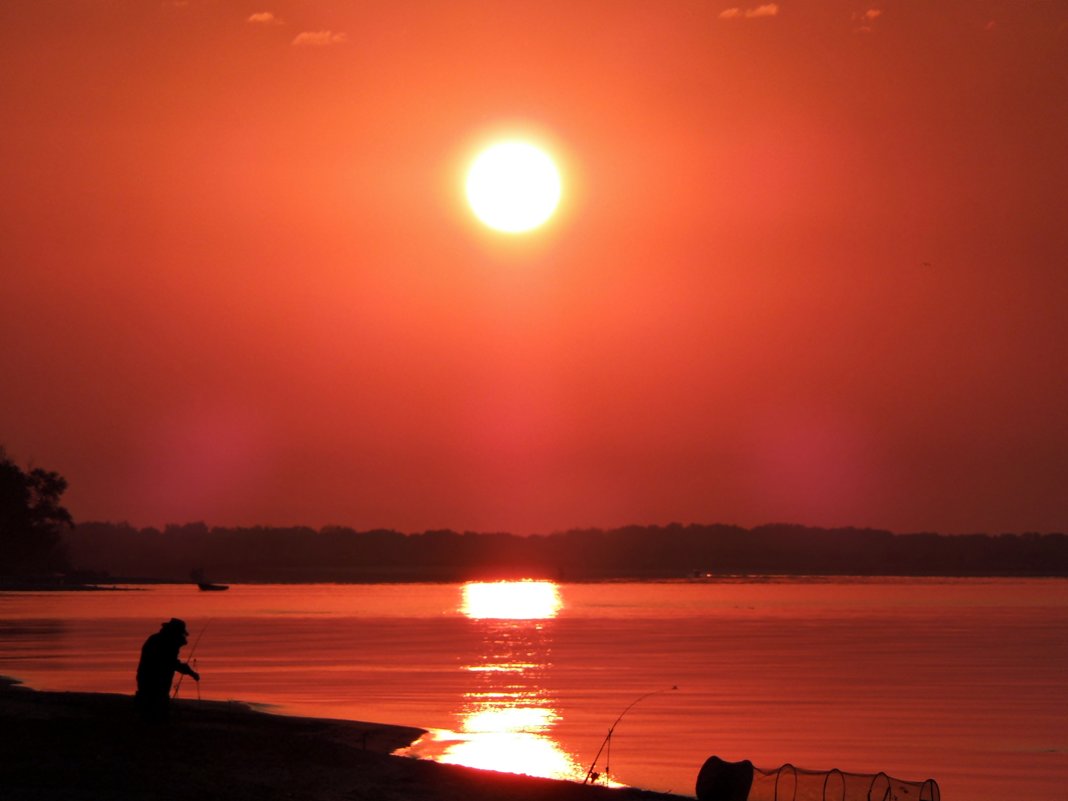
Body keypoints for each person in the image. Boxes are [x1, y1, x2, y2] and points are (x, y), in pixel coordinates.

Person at [135, 617, 200, 721]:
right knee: (156, 707)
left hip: (145, 677)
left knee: (148, 704)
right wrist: (191, 672)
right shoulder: (166, 643)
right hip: (154, 680)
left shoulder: (157, 639)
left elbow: (171, 661)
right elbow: (171, 662)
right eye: (180, 634)